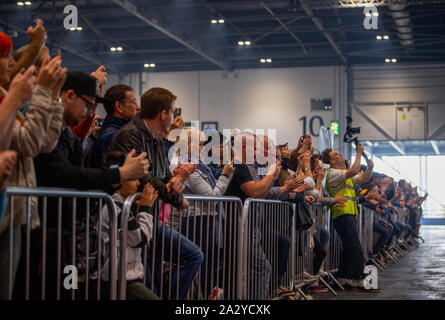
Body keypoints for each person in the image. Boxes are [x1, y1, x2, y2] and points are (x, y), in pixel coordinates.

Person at [110, 87, 203, 300]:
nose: (174, 116)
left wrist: (175, 184)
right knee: (187, 259)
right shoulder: (131, 135)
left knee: (193, 255)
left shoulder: (156, 138)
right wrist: (176, 196)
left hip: (148, 216)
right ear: (163, 114)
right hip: (130, 218)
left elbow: (161, 177)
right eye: (172, 111)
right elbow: (143, 178)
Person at [99, 151, 160, 300]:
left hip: (127, 277)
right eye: (133, 179)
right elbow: (141, 239)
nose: (138, 183)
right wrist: (146, 208)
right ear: (119, 180)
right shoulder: (115, 207)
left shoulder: (121, 205)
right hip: (121, 280)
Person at [321, 143, 376, 291]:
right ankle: (358, 279)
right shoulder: (332, 173)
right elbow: (354, 171)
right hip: (342, 213)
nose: (340, 155)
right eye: (336, 155)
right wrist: (358, 153)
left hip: (349, 212)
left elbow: (363, 178)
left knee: (348, 247)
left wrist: (370, 168)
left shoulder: (343, 173)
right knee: (355, 246)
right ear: (332, 161)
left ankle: (342, 278)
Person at [84, 84, 140, 168]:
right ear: (119, 106)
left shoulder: (115, 132)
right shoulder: (112, 137)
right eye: (134, 102)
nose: (137, 107)